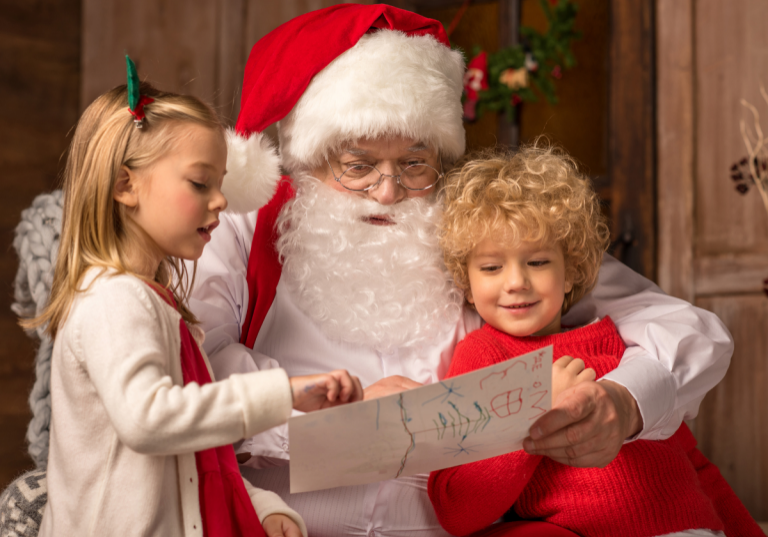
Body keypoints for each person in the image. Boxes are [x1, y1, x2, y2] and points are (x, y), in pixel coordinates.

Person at [191, 5, 733, 536]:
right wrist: (332, 415)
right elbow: (194, 364)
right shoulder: (244, 225)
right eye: (358, 166)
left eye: (414, 163)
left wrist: (627, 400)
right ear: (311, 158)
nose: (388, 191)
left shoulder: (480, 230)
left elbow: (684, 326)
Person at [27, 79, 363, 537]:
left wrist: (264, 506)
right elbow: (151, 420)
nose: (222, 200)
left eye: (220, 184)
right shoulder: (114, 300)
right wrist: (282, 394)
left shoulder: (159, 306)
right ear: (126, 185)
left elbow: (197, 458)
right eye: (200, 182)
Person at [428, 146, 764, 537]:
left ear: (570, 273)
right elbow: (456, 509)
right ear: (466, 285)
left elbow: (694, 463)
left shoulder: (618, 342)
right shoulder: (482, 356)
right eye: (491, 267)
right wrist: (533, 407)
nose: (516, 281)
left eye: (537, 262)